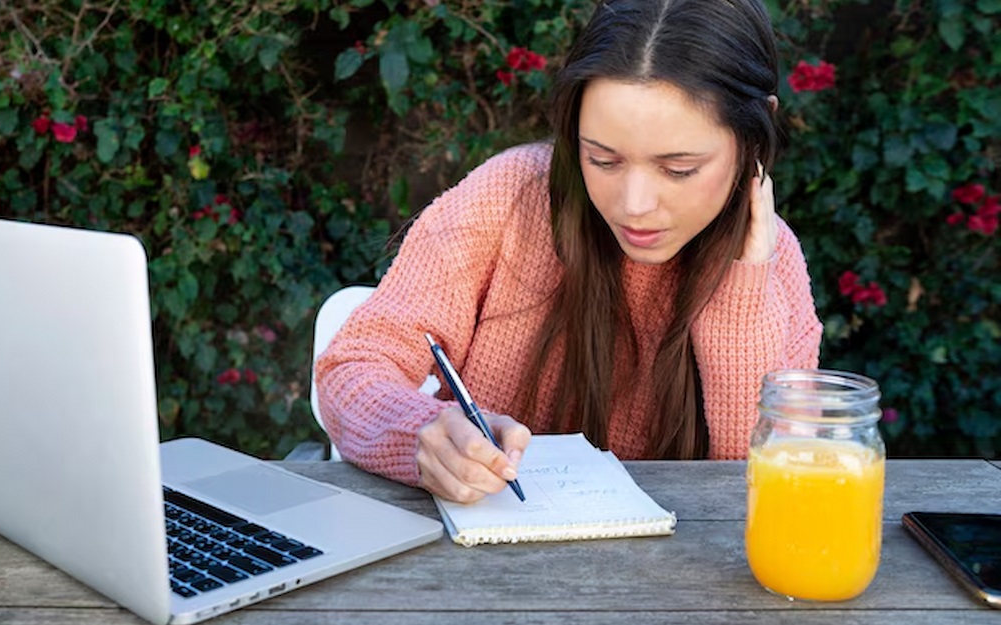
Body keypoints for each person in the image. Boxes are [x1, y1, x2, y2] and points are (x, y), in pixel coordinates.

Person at [314, 0, 822, 504]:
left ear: (754, 137)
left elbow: (764, 491)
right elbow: (353, 366)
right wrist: (424, 434)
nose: (634, 205)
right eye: (602, 159)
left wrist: (741, 300)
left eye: (679, 169)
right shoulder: (509, 199)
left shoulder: (774, 265)